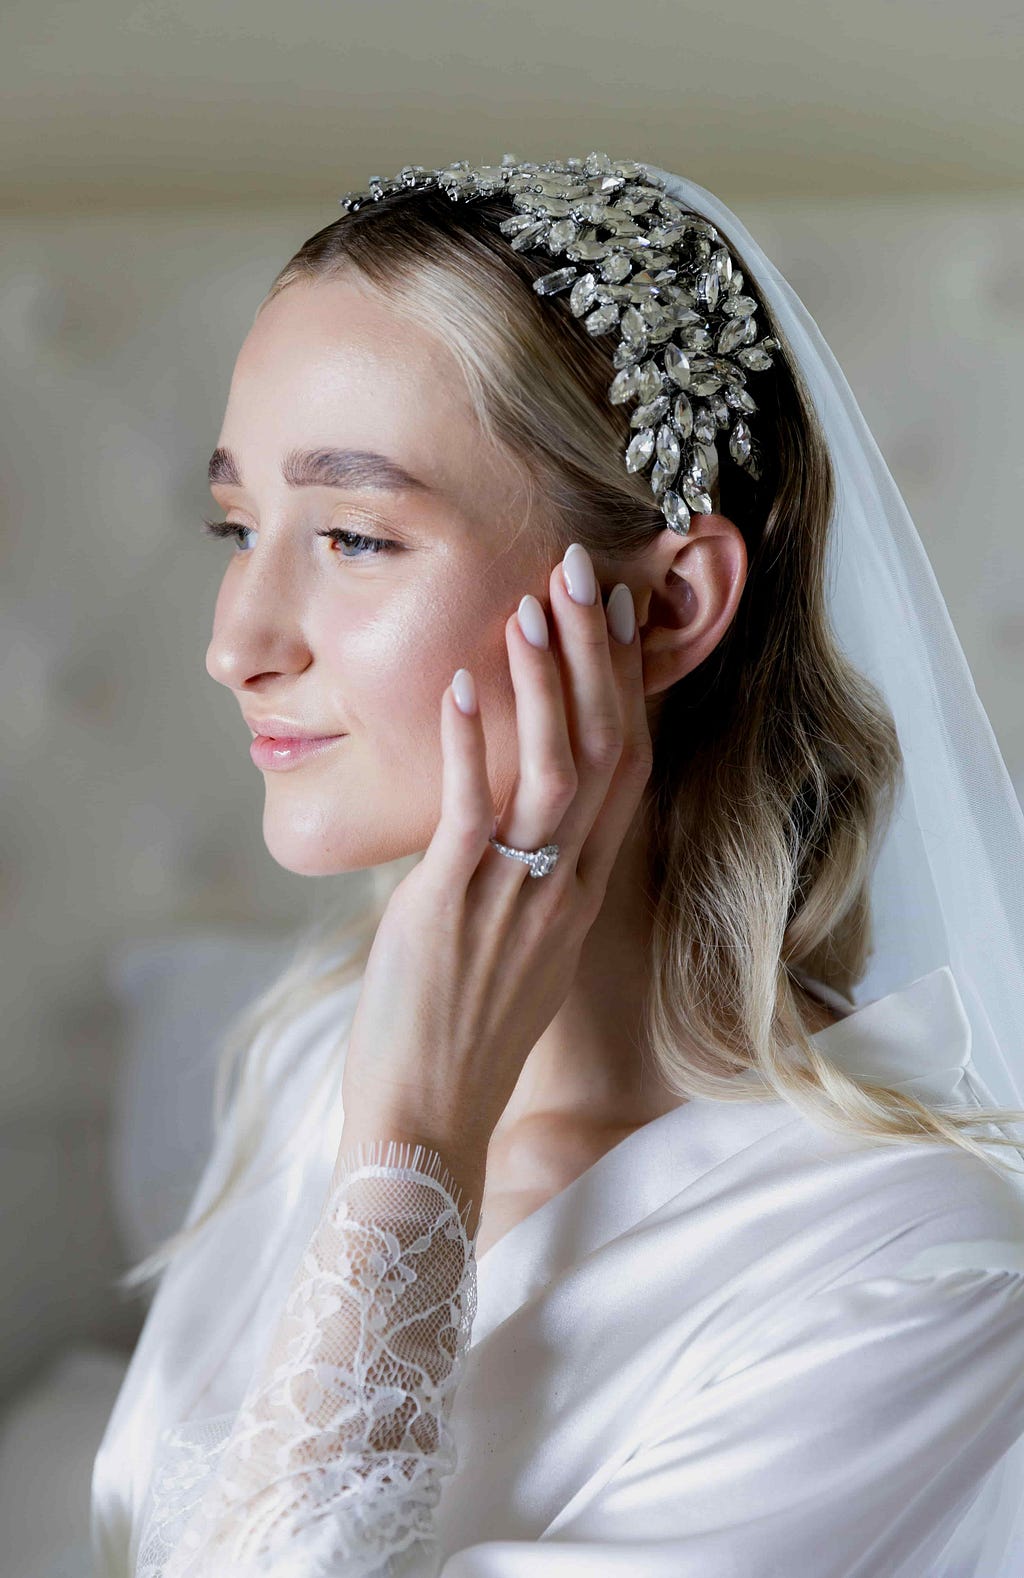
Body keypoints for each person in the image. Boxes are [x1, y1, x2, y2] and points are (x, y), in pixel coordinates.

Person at [91, 155, 1024, 1577]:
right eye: (239, 527)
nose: (237, 641)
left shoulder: (914, 1272)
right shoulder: (310, 1054)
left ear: (665, 605)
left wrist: (415, 1144)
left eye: (352, 535)